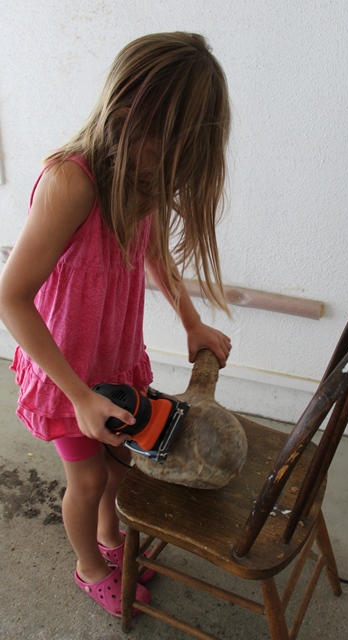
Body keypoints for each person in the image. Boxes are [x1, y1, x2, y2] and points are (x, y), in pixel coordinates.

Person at [0, 32, 232, 617]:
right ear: (126, 114)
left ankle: (110, 538)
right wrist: (78, 396)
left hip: (114, 363)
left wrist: (192, 322)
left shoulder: (142, 178)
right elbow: (11, 298)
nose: (171, 171)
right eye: (169, 150)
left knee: (120, 469)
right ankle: (89, 568)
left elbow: (156, 254)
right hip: (67, 376)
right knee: (86, 483)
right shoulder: (71, 182)